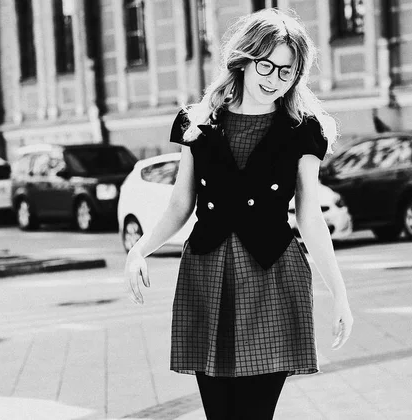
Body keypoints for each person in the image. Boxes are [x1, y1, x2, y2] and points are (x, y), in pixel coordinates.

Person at [125, 8, 353, 420]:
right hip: (207, 278)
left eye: (287, 71)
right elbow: (181, 204)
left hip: (274, 280)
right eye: (266, 64)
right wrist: (139, 249)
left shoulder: (304, 129)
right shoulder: (199, 124)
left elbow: (310, 216)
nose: (274, 78)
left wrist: (340, 294)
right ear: (244, 59)